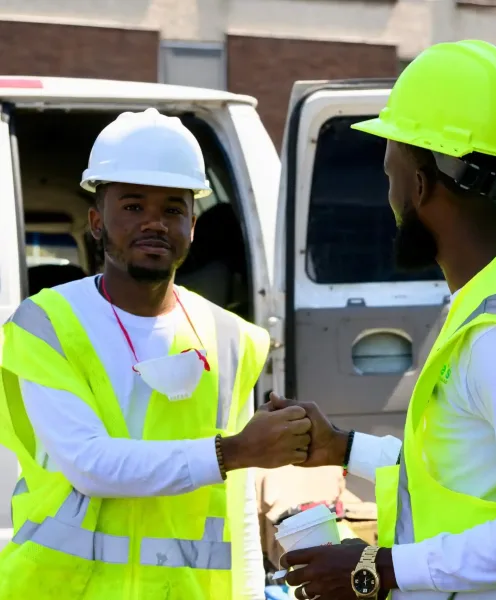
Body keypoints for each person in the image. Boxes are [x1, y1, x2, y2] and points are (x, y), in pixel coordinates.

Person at [271, 40, 496, 599]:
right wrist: (340, 447)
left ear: (419, 182)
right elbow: (461, 476)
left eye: (391, 173)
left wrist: (375, 569)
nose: (389, 196)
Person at [0, 108, 313, 600]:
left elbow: (235, 508)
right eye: (132, 206)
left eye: (172, 208)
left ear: (193, 221)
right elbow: (90, 465)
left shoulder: (232, 338)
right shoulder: (48, 324)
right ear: (97, 221)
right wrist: (232, 451)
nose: (154, 223)